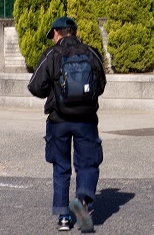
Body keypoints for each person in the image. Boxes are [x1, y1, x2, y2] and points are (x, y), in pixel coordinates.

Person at [28, 16, 106, 232]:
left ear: (56, 33)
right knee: (88, 164)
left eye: (52, 35)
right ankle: (82, 201)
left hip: (58, 121)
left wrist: (53, 91)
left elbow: (34, 86)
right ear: (75, 32)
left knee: (61, 167)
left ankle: (63, 217)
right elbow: (100, 85)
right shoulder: (91, 53)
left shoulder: (51, 54)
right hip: (86, 120)